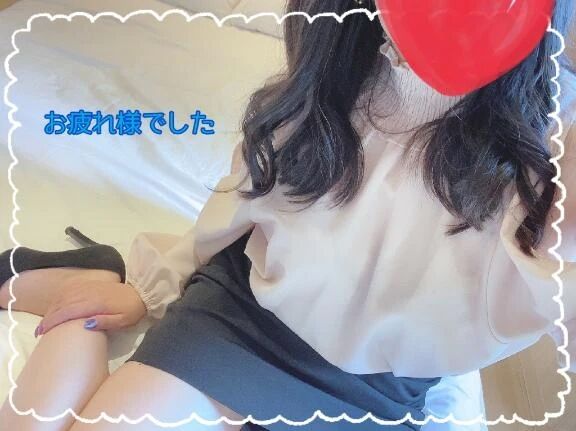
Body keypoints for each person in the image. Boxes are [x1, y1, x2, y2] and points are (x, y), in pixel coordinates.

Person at [0, 0, 575, 429]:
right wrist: (153, 289)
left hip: (369, 393)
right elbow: (243, 197)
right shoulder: (340, 66)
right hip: (243, 321)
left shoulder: (547, 150)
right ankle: (93, 283)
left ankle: (88, 277)